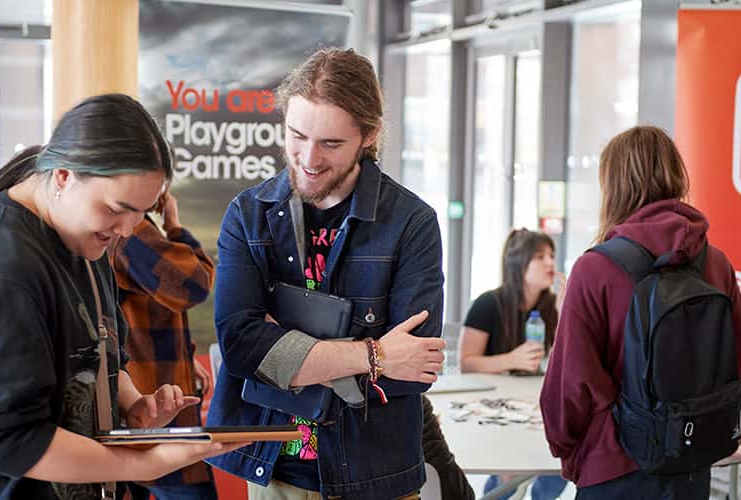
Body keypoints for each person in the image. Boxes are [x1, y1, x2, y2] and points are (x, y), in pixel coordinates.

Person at [0, 93, 242, 500]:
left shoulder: (84, 238)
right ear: (64, 176)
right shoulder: (0, 275)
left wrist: (134, 404)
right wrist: (146, 463)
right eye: (117, 209)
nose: (125, 230)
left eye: (141, 212)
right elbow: (6, 439)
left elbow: (97, 350)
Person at [206, 47, 445, 500]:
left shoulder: (411, 223)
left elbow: (413, 369)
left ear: (369, 136)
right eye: (296, 135)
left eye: (331, 144)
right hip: (277, 471)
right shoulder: (248, 215)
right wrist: (373, 355)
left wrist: (286, 351)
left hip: (376, 476)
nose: (309, 158)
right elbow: (241, 349)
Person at [539, 125, 741, 499]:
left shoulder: (595, 269)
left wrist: (572, 453)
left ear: (614, 186)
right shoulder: (718, 265)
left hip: (612, 465)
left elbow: (568, 387)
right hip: (691, 462)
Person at [111, 191, 218, 500]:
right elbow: (193, 284)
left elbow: (150, 305)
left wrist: (186, 354)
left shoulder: (126, 230)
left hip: (148, 393)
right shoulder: (132, 231)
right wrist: (174, 224)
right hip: (153, 404)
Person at [459, 228, 567, 499]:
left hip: (534, 403)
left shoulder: (552, 307)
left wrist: (566, 312)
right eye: (540, 257)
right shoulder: (488, 304)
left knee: (558, 470)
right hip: (495, 408)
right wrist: (511, 360)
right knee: (505, 478)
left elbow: (564, 361)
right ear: (519, 264)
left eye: (552, 256)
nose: (550, 263)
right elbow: (466, 363)